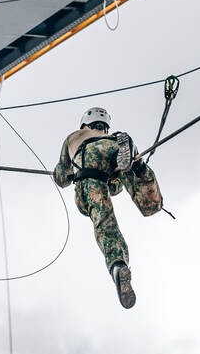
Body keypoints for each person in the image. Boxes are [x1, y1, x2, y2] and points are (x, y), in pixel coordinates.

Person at [53, 107, 164, 309]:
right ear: (105, 128)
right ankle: (137, 165)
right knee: (150, 205)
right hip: (113, 148)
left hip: (87, 159)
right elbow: (114, 189)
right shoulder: (108, 136)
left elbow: (61, 178)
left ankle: (118, 266)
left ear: (84, 125)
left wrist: (66, 175)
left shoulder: (73, 137)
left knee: (103, 222)